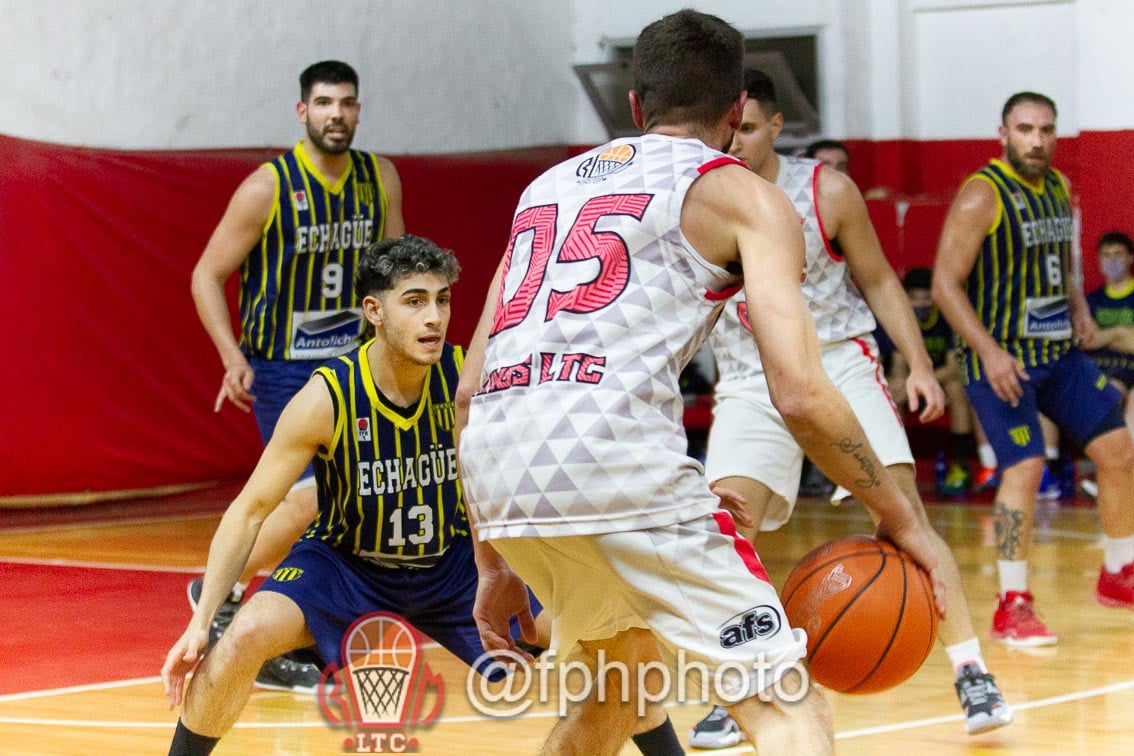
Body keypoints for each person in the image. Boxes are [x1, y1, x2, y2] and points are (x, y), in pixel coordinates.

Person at [456, 11, 945, 754]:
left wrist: (490, 562)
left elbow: (468, 389)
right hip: (615, 465)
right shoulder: (744, 194)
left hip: (499, 474)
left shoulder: (544, 190)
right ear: (731, 114)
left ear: (632, 107)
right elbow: (801, 394)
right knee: (786, 705)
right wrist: (900, 513)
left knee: (616, 686)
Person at [684, 71, 1012, 750]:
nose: (734, 138)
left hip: (835, 362)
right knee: (723, 529)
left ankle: (972, 673)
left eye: (747, 127)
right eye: (727, 126)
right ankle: (743, 685)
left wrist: (918, 362)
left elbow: (880, 278)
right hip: (750, 377)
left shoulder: (826, 190)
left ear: (776, 128)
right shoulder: (697, 194)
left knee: (902, 515)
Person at [165, 236, 523, 754]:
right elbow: (250, 511)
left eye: (442, 299)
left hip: (451, 564)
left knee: (590, 634)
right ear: (374, 311)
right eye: (415, 300)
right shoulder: (327, 396)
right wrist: (201, 624)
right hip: (347, 564)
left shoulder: (469, 377)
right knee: (243, 635)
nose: (434, 318)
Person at [188, 60, 404, 691]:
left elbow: (395, 270)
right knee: (308, 498)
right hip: (284, 366)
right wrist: (232, 355)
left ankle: (295, 630)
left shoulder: (379, 178)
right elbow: (206, 274)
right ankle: (219, 590)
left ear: (359, 112)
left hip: (355, 363)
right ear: (302, 112)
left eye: (348, 103)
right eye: (324, 103)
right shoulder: (268, 188)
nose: (337, 113)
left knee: (348, 512)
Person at [932, 92, 1134, 649]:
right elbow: (946, 286)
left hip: (1058, 355)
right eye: (1025, 129)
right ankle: (1012, 603)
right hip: (999, 360)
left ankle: (1119, 574)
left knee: (1118, 451)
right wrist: (991, 352)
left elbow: (1063, 263)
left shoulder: (1059, 188)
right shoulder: (981, 195)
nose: (1037, 140)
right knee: (1024, 469)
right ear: (1004, 133)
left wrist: (1080, 306)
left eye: (1046, 129)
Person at [886, 268, 979, 495]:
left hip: (940, 380)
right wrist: (902, 384)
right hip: (911, 383)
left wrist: (924, 382)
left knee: (958, 388)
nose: (921, 304)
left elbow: (953, 368)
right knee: (892, 393)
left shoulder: (946, 319)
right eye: (915, 299)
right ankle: (894, 470)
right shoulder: (898, 318)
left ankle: (960, 466)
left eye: (926, 298)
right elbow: (898, 362)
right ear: (905, 297)